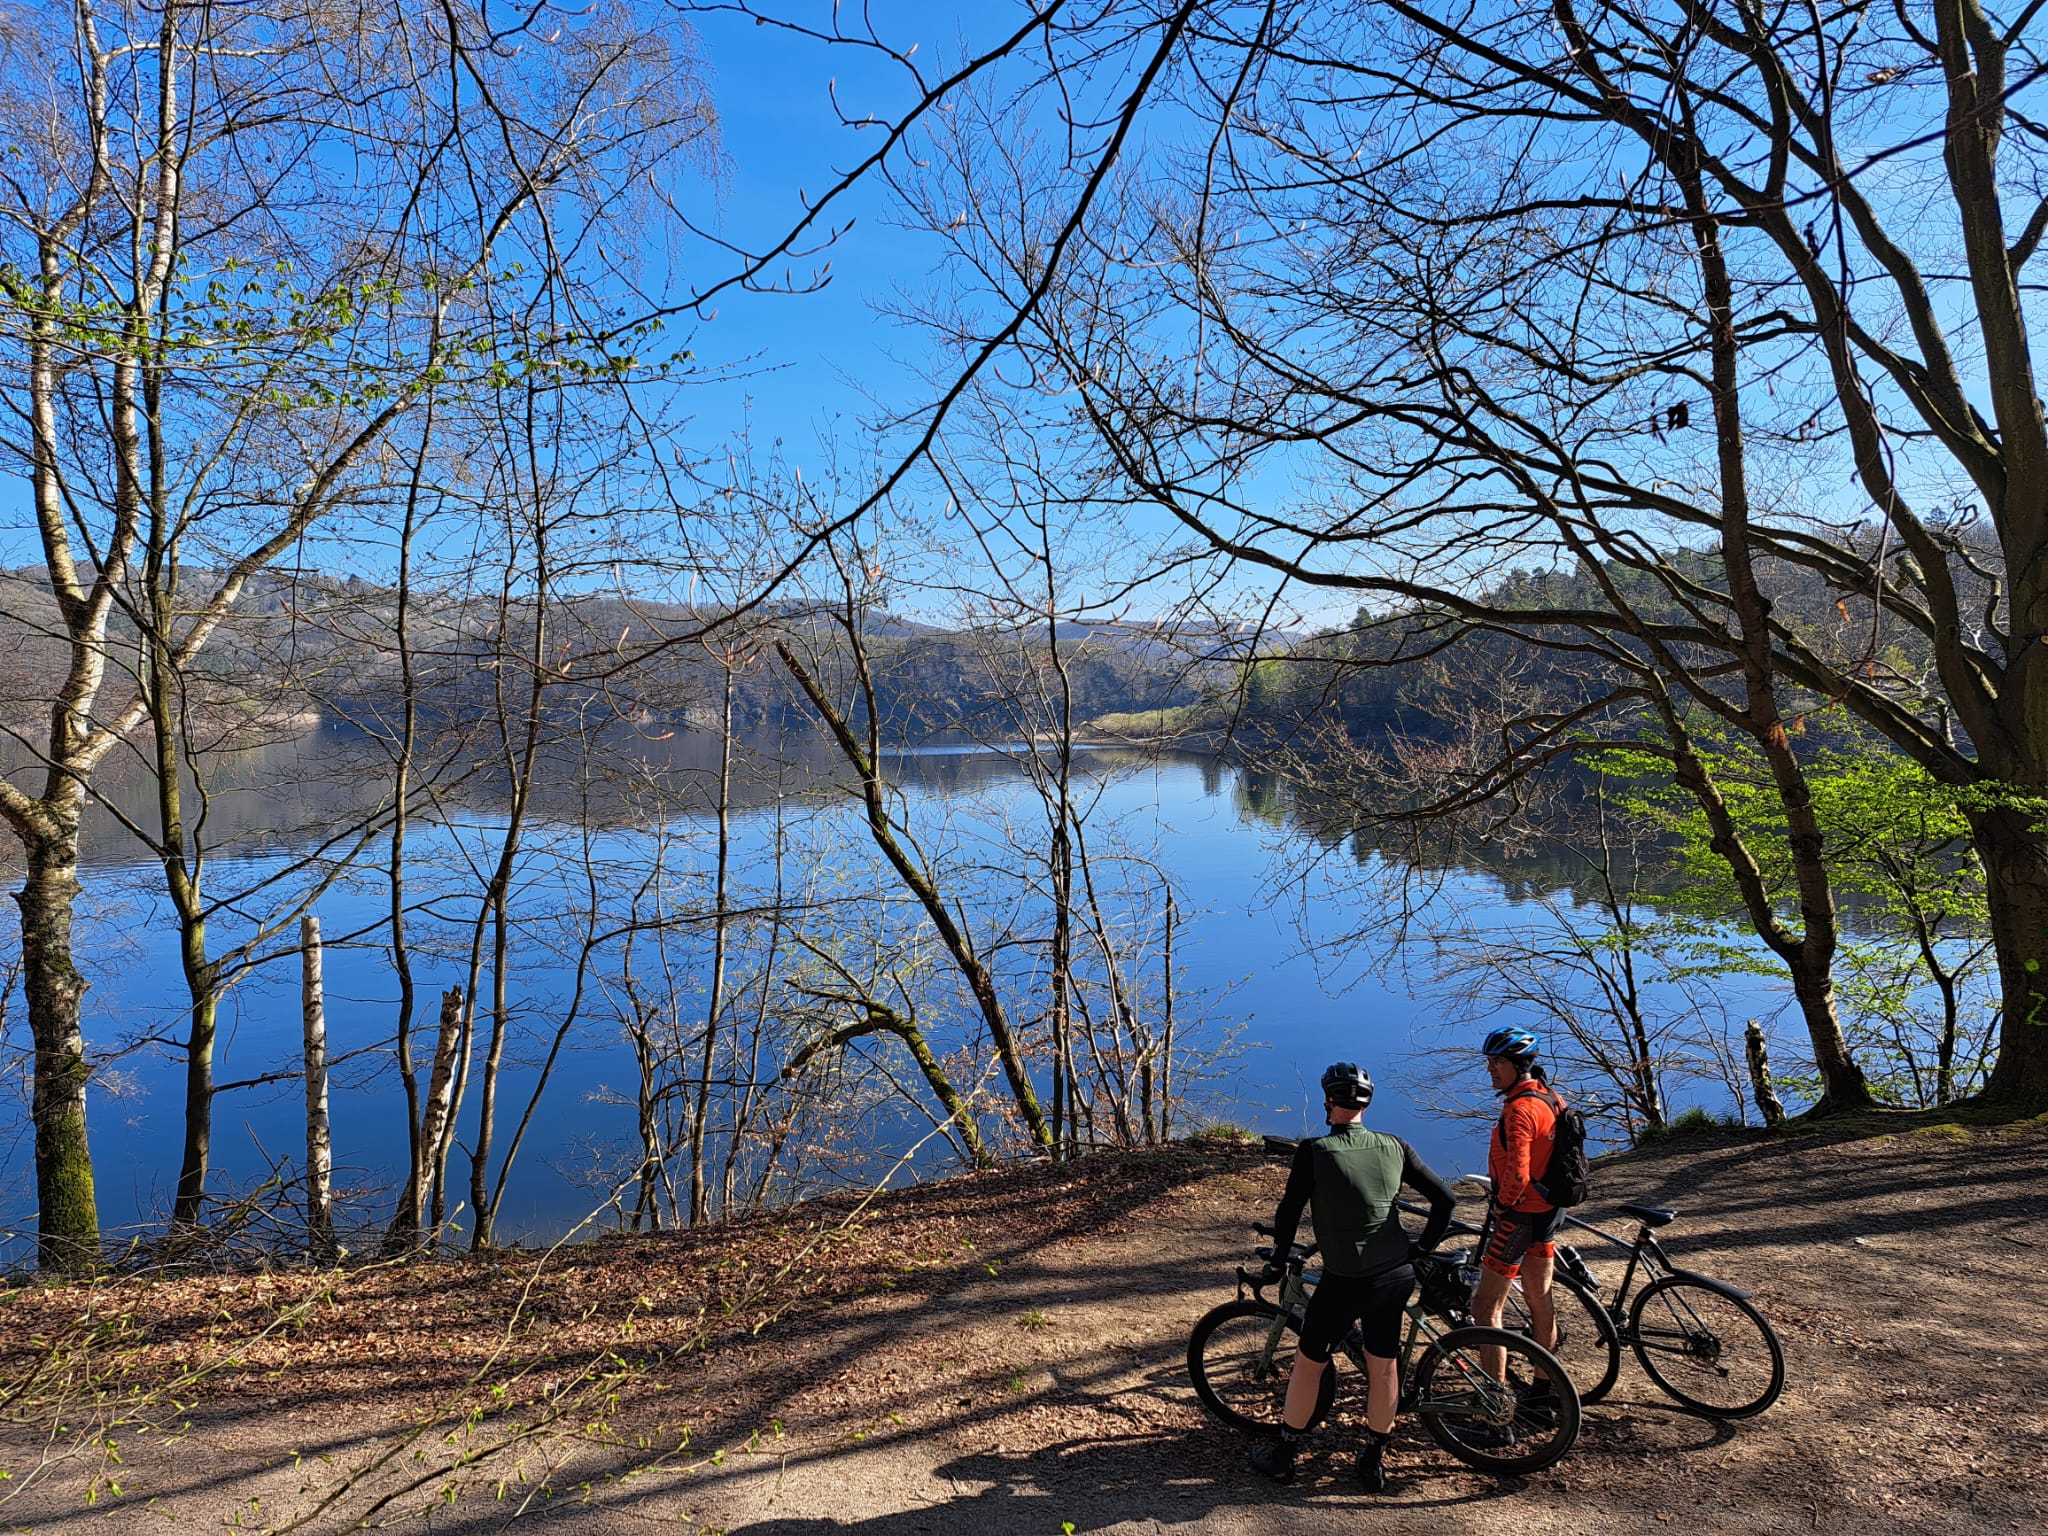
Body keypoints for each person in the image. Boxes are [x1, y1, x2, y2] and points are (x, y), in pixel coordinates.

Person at [1249, 1061, 1455, 1491]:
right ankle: (1373, 1459)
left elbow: (1288, 1214)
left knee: (1309, 1363)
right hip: (1395, 1276)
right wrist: (1421, 1249)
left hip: (1345, 1280)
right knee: (1383, 1367)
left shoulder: (1314, 1151)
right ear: (1367, 1103)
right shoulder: (1395, 1145)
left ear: (1328, 1103)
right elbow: (1446, 1200)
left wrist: (1277, 1261)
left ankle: (1285, 1454)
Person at [1470, 1026, 1566, 1410]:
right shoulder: (1550, 1097)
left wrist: (1500, 1206)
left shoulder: (1519, 1109)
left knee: (1485, 1307)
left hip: (1519, 1218)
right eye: (1489, 1062)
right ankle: (1543, 1395)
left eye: (1498, 1062)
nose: (1491, 1069)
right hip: (1547, 1213)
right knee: (1540, 1299)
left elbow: (1518, 1173)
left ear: (1517, 1064)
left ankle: (1496, 1406)